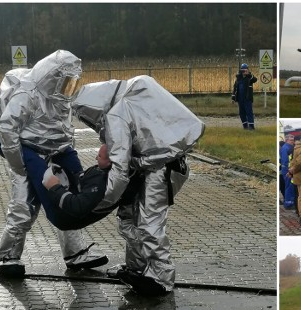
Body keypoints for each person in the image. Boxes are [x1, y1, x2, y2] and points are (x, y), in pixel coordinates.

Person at [71, 75, 205, 295]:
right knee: (128, 219)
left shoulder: (116, 114)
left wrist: (101, 203)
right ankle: (137, 268)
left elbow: (119, 168)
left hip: (159, 171)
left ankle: (162, 279)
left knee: (148, 224)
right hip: (154, 168)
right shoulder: (127, 100)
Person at [0, 50, 108, 277]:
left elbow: (64, 128)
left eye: (73, 82)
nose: (69, 87)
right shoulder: (28, 94)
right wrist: (20, 166)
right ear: (53, 77)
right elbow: (6, 128)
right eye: (66, 81)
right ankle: (8, 256)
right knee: (24, 204)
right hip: (27, 152)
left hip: (57, 152)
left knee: (68, 197)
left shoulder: (61, 96)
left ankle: (75, 254)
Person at [231, 63, 257, 130]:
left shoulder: (250, 78)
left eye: (245, 70)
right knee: (241, 113)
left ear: (247, 70)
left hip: (247, 98)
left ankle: (251, 126)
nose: (244, 71)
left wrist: (248, 74)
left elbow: (255, 79)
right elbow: (235, 88)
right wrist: (233, 97)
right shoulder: (238, 78)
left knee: (249, 112)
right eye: (242, 70)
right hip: (240, 98)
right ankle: (245, 126)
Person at [280, 135, 296, 210]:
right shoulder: (286, 148)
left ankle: (290, 201)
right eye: (291, 140)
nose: (292, 142)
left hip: (289, 170)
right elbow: (285, 161)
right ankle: (288, 204)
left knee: (290, 187)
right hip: (287, 171)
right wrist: (287, 171)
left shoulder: (290, 148)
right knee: (289, 187)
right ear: (286, 140)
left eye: (293, 140)